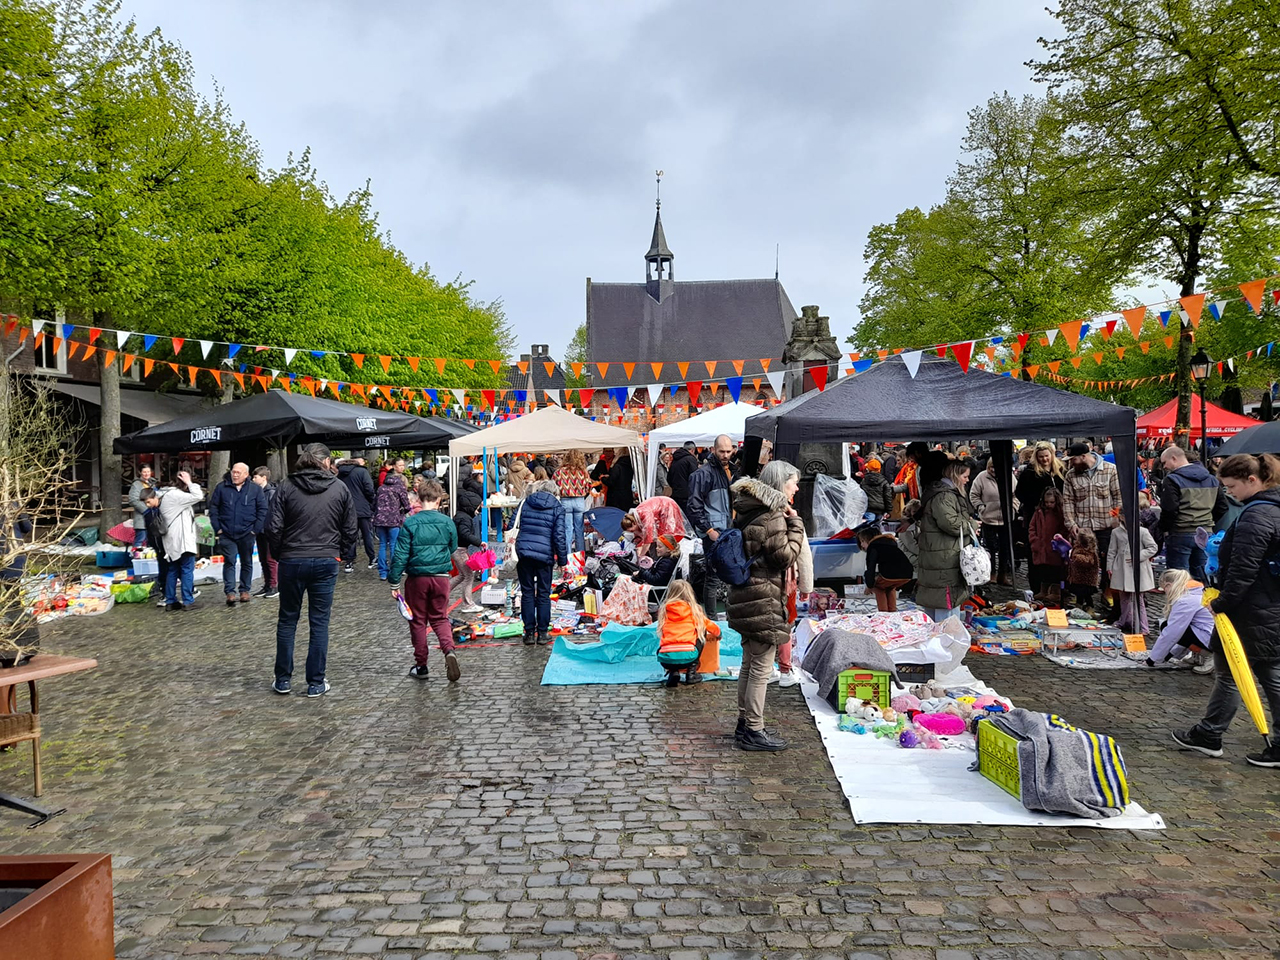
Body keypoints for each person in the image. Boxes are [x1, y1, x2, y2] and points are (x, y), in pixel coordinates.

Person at [1173, 453, 1280, 767]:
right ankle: (1209, 732)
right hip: (1266, 607)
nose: (1229, 493)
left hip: (1249, 611)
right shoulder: (1270, 510)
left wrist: (1220, 603)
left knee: (1237, 674)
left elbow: (1243, 571)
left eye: (1231, 486)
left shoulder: (1257, 515)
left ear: (1252, 480)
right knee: (1260, 673)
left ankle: (1210, 734)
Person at [267, 443, 357, 698]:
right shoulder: (339, 488)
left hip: (293, 559)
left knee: (287, 620)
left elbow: (272, 527)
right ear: (327, 462)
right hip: (325, 559)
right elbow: (350, 529)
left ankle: (283, 679)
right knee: (319, 622)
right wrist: (341, 553)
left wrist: (280, 553)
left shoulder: (286, 486)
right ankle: (315, 681)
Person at [728, 461, 805, 751]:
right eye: (793, 482)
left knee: (749, 664)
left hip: (746, 595)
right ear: (780, 483)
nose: (796, 487)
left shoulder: (748, 508)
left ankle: (744, 723)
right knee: (760, 667)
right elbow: (783, 557)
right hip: (762, 597)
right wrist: (796, 524)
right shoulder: (772, 515)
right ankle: (754, 730)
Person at [388, 479, 461, 683]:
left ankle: (421, 665)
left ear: (419, 499)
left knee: (418, 621)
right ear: (438, 500)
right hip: (440, 577)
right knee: (440, 618)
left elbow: (400, 555)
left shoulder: (410, 523)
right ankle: (449, 651)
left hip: (417, 579)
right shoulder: (447, 522)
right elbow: (453, 547)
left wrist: (394, 582)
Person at [916, 454, 976, 622]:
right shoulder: (944, 496)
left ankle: (937, 640)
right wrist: (972, 525)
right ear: (955, 476)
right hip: (944, 558)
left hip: (940, 555)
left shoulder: (941, 493)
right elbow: (952, 525)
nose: (967, 480)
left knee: (937, 602)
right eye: (964, 476)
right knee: (946, 605)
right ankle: (947, 643)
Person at [687, 434, 739, 617]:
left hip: (730, 529)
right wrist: (708, 530)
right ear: (713, 450)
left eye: (728, 451)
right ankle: (712, 618)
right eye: (721, 451)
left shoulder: (731, 470)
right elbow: (693, 507)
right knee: (713, 577)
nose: (725, 455)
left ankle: (725, 616)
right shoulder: (704, 474)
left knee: (731, 574)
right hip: (716, 531)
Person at [1158, 444, 1228, 581]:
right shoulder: (1212, 479)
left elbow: (1170, 509)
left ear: (1174, 458)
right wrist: (1208, 521)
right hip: (1205, 531)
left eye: (1164, 462)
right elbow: (1222, 506)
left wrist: (1165, 529)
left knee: (1178, 579)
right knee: (1202, 576)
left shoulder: (1172, 480)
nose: (1164, 467)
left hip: (1180, 532)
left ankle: (1181, 602)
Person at [514, 478, 568, 646]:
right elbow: (559, 536)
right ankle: (543, 633)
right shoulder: (557, 507)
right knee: (543, 594)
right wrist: (563, 559)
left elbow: (512, 524)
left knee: (527, 593)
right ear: (554, 492)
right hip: (545, 556)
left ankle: (529, 633)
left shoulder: (525, 503)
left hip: (524, 553)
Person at [1062, 441, 1121, 591]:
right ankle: (1084, 597)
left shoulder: (1110, 470)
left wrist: (1114, 517)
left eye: (1073, 459)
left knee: (1108, 560)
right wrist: (1071, 524)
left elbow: (1118, 497)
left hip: (1106, 526)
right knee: (1083, 563)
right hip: (1083, 528)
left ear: (1083, 456)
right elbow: (1068, 501)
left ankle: (1107, 591)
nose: (1071, 463)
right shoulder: (1070, 475)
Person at [209, 462, 268, 606]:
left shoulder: (254, 489)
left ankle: (244, 590)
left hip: (247, 532)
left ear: (246, 475)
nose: (235, 475)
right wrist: (218, 529)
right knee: (230, 561)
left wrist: (255, 529)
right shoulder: (222, 488)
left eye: (238, 473)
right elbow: (213, 509)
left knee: (247, 562)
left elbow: (262, 510)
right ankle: (230, 592)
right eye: (233, 472)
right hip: (227, 533)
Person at [1015, 442, 1066, 594]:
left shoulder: (1060, 470)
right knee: (1037, 551)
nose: (1044, 460)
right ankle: (1038, 588)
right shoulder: (1030, 472)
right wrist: (1037, 503)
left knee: (1057, 552)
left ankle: (1057, 588)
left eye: (1046, 456)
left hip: (1058, 517)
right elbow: (1020, 493)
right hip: (1036, 516)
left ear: (1052, 455)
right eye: (1041, 457)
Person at [1147, 569, 1215, 674]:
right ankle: (1200, 655)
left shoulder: (1185, 600)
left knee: (1166, 626)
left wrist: (1153, 659)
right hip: (1213, 635)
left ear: (1169, 585)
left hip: (1212, 639)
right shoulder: (1198, 591)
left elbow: (1172, 632)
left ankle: (1209, 656)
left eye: (1164, 588)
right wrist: (1170, 655)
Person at [656, 579, 721, 688]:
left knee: (667, 640)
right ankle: (691, 673)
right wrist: (718, 633)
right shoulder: (694, 610)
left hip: (665, 658)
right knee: (701, 632)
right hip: (689, 656)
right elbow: (710, 626)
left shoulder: (664, 610)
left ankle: (673, 671)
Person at [1106, 512, 1158, 633]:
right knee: (1123, 597)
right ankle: (1125, 621)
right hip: (1121, 568)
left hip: (1137, 568)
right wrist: (1110, 567)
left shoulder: (1142, 531)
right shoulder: (1116, 532)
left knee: (1138, 598)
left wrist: (1138, 556)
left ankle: (1143, 626)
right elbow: (1112, 551)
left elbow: (1152, 548)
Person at [159, 470, 202, 612]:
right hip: (181, 541)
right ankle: (188, 600)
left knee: (173, 570)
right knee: (186, 570)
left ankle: (171, 600)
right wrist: (189, 482)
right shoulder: (176, 496)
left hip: (172, 540)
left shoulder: (167, 495)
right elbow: (198, 495)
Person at [969, 457, 1012, 586]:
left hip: (1005, 518)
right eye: (990, 467)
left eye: (995, 467)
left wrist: (1013, 508)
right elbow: (974, 494)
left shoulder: (1008, 476)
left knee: (1005, 547)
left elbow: (1015, 494)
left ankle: (1002, 574)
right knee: (990, 547)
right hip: (988, 518)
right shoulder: (982, 477)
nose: (993, 470)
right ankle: (991, 573)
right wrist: (981, 507)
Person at [858, 525, 913, 612]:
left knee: (878, 587)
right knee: (890, 587)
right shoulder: (889, 543)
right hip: (908, 573)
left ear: (868, 540)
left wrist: (869, 586)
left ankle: (883, 613)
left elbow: (870, 568)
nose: (861, 545)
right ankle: (892, 611)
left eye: (862, 541)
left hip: (890, 574)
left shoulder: (873, 547)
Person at [337, 454, 377, 572]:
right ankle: (371, 559)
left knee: (350, 535)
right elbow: (369, 489)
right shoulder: (362, 472)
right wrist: (370, 501)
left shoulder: (340, 474)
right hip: (363, 508)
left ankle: (349, 562)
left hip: (347, 509)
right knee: (367, 535)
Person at [451, 478, 486, 612]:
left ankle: (441, 594)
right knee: (469, 575)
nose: (477, 511)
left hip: (458, 548)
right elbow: (464, 534)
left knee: (461, 575)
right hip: (460, 549)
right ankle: (468, 604)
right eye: (477, 508)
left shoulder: (460, 515)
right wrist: (478, 541)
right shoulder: (464, 518)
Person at [1028, 488, 1068, 605]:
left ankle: (1055, 591)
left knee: (1055, 570)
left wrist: (1060, 540)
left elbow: (1064, 528)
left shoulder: (1060, 513)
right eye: (1047, 502)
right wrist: (1034, 540)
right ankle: (1043, 590)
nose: (1049, 505)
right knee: (1043, 569)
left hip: (1054, 547)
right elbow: (1032, 527)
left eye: (1051, 502)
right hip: (1041, 546)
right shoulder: (1039, 512)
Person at [372, 469, 410, 580]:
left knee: (383, 545)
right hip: (394, 520)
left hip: (380, 520)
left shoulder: (381, 488)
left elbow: (374, 504)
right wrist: (401, 511)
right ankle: (395, 571)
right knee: (394, 545)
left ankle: (383, 572)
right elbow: (407, 506)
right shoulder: (400, 488)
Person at [553, 449, 593, 553]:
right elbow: (589, 486)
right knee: (579, 530)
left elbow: (554, 486)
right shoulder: (583, 472)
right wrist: (582, 494)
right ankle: (580, 556)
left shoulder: (559, 472)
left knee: (567, 530)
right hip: (579, 500)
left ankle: (568, 556)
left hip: (565, 501)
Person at [620, 496, 686, 556]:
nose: (633, 532)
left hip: (666, 506)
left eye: (632, 530)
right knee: (659, 538)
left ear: (634, 523)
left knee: (665, 538)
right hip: (661, 507)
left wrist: (641, 556)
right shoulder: (636, 517)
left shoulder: (645, 516)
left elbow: (648, 540)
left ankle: (669, 556)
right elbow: (639, 539)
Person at [139, 487, 171, 607]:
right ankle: (165, 592)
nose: (147, 505)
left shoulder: (161, 510)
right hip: (158, 545)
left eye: (148, 502)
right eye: (145, 503)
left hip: (165, 544)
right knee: (163, 569)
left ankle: (168, 593)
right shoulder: (148, 514)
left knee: (169, 569)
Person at [252, 467, 279, 599]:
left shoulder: (271, 492)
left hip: (269, 530)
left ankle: (274, 585)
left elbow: (273, 512)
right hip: (260, 530)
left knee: (270, 559)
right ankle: (267, 584)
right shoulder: (257, 492)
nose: (253, 479)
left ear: (264, 478)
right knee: (263, 559)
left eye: (256, 477)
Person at [1066, 528, 1100, 612]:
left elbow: (1088, 561)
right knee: (1079, 594)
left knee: (1086, 594)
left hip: (1086, 579)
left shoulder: (1090, 551)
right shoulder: (1078, 547)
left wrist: (1076, 557)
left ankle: (1089, 607)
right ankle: (1079, 606)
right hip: (1078, 577)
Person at [667, 441, 700, 515]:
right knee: (688, 519)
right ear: (692, 450)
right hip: (687, 495)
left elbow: (669, 477)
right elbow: (695, 477)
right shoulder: (690, 459)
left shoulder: (675, 459)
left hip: (676, 494)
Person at [128, 464, 154, 548]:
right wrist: (146, 510)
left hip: (153, 518)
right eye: (144, 472)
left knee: (152, 541)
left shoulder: (153, 483)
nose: (147, 474)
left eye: (148, 471)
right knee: (140, 538)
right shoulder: (136, 485)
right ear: (140, 472)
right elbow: (133, 500)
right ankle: (135, 558)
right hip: (142, 517)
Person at [602, 447, 636, 511]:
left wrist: (603, 478)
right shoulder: (631, 466)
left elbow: (611, 481)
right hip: (627, 495)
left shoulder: (618, 466)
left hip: (616, 498)